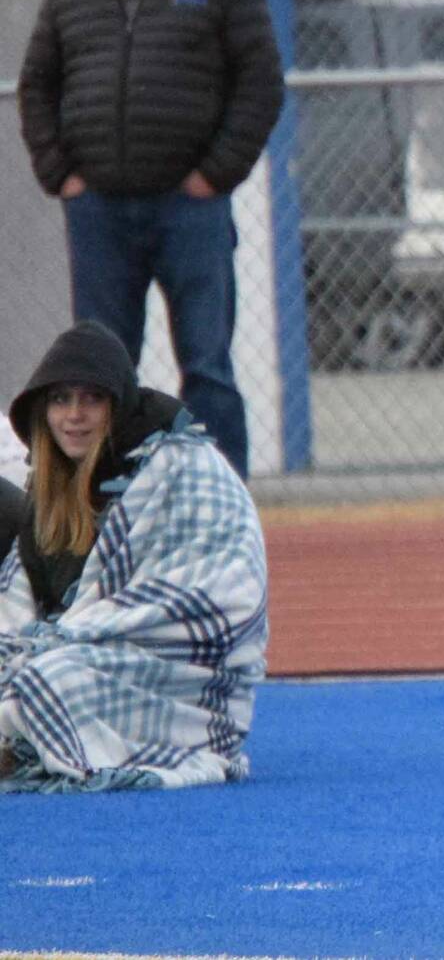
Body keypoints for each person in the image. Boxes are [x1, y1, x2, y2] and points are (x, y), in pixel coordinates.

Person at [17, 0, 285, 479]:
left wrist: (214, 174)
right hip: (99, 214)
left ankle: (223, 501)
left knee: (207, 364)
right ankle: (103, 501)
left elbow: (261, 85)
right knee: (101, 370)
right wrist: (63, 176)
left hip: (190, 209)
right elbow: (37, 86)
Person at [0, 320, 267, 791]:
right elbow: (25, 600)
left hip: (173, 671)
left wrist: (63, 639)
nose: (74, 415)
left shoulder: (180, 464)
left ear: (118, 404)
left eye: (91, 399)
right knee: (31, 671)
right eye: (61, 400)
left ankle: (27, 745)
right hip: (79, 648)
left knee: (53, 679)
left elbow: (219, 590)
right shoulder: (49, 483)